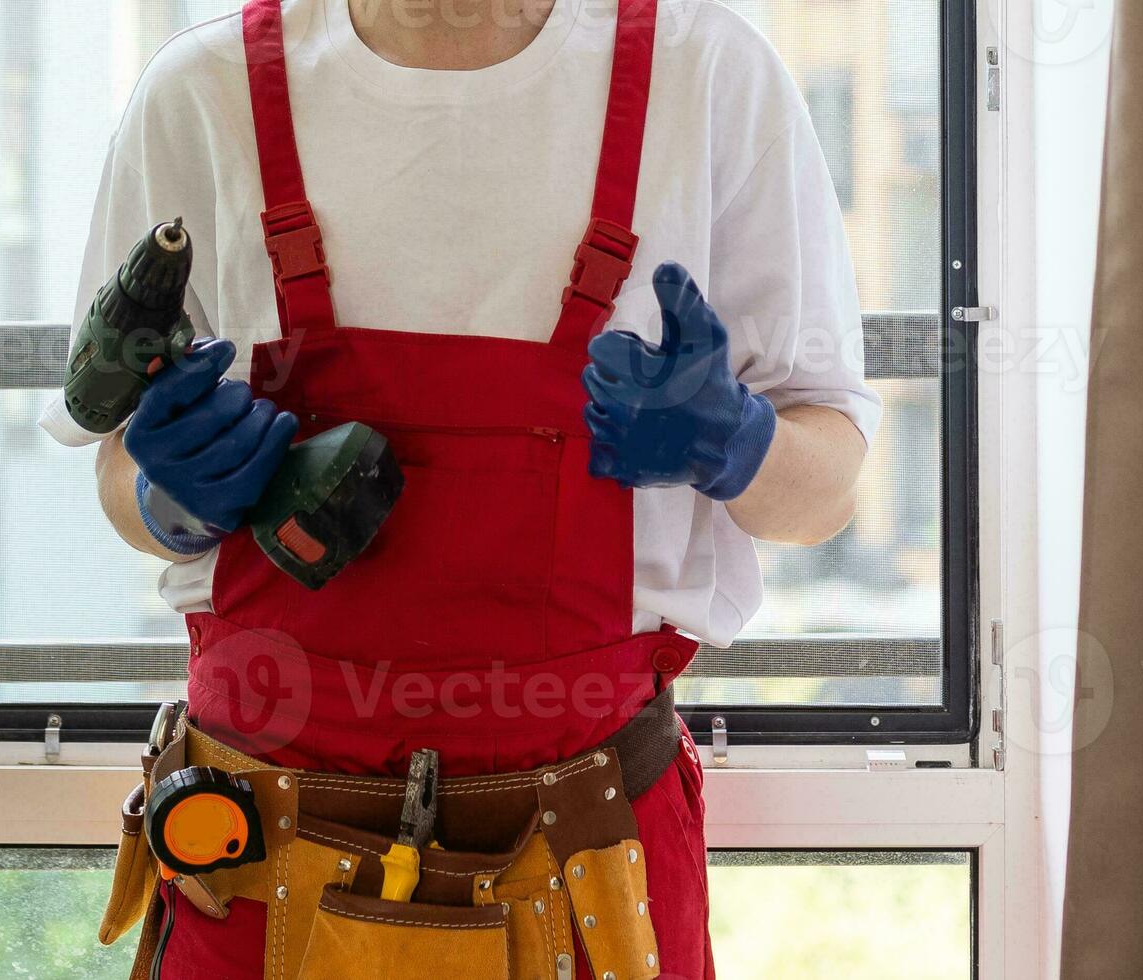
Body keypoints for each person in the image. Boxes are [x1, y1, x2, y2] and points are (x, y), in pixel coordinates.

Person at [48, 1, 874, 976]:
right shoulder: (203, 90)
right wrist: (165, 496)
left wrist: (736, 442)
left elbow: (824, 492)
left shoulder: (709, 80)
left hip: (593, 872)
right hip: (249, 861)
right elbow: (114, 465)